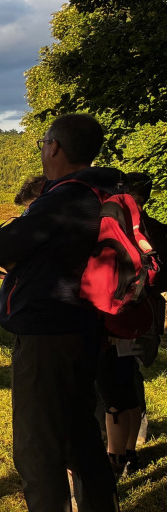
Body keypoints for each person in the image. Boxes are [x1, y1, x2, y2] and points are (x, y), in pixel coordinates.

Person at [0, 113, 122, 512]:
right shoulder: (109, 192)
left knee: (38, 449)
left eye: (43, 143)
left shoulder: (62, 200)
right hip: (87, 331)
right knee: (81, 434)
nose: (42, 150)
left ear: (55, 147)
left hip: (46, 336)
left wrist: (23, 223)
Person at [95, 172, 162, 477]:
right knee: (129, 387)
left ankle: (114, 459)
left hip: (117, 319)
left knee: (114, 394)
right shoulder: (151, 229)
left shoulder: (114, 227)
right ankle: (130, 453)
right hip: (143, 315)